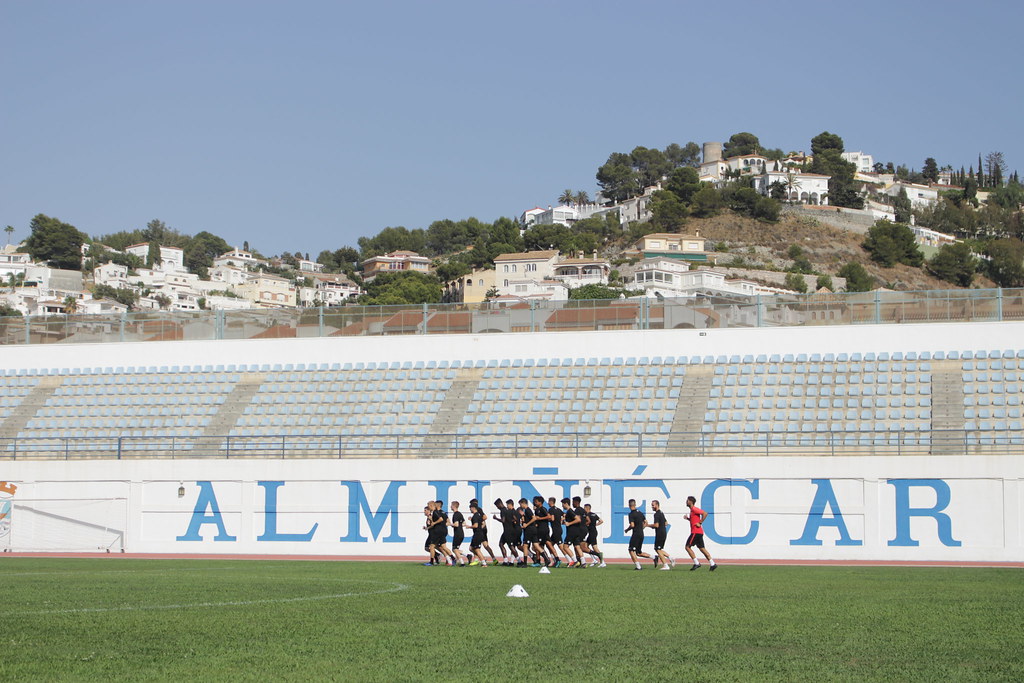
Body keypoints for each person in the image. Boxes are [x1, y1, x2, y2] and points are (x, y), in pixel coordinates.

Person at [685, 495, 716, 571]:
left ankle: (696, 563)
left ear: (691, 502)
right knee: (702, 548)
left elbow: (705, 513)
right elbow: (694, 520)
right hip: (699, 532)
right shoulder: (692, 510)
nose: (686, 502)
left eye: (687, 500)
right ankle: (712, 564)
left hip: (695, 532)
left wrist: (700, 522)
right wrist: (688, 519)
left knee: (687, 547)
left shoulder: (694, 509)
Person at [625, 498, 653, 570]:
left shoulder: (631, 514)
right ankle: (654, 557)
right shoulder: (640, 513)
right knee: (638, 552)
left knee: (631, 550)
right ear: (635, 504)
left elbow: (632, 525)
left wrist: (627, 530)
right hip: (641, 534)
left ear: (629, 505)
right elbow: (646, 522)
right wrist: (641, 528)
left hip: (636, 534)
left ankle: (638, 566)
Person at [428, 499, 455, 566]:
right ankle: (453, 558)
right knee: (443, 546)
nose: (428, 508)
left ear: (431, 505)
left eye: (428, 506)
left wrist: (434, 523)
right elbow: (447, 521)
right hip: (443, 531)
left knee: (432, 546)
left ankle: (431, 562)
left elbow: (441, 519)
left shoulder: (435, 512)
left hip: (438, 531)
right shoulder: (443, 512)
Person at [650, 499, 674, 570]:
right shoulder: (661, 512)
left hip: (660, 533)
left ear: (657, 505)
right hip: (663, 532)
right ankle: (670, 557)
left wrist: (648, 525)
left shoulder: (656, 514)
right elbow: (666, 523)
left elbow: (656, 525)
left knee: (658, 549)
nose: (652, 507)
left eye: (653, 505)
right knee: (658, 549)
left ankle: (666, 565)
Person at [561, 497, 585, 567]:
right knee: (577, 546)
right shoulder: (569, 512)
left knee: (565, 547)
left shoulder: (570, 511)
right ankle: (583, 562)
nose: (562, 506)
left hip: (572, 531)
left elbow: (578, 519)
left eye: (563, 504)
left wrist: (569, 523)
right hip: (576, 531)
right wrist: (565, 522)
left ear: (566, 504)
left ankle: (575, 561)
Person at [496, 498, 520, 566]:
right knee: (501, 544)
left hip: (508, 531)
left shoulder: (503, 511)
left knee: (511, 546)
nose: (497, 507)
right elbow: (515, 519)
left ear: (499, 504)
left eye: (497, 506)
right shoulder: (508, 511)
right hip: (507, 531)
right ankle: (506, 561)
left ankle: (519, 560)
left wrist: (496, 518)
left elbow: (503, 520)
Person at [547, 496, 570, 566]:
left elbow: (552, 519)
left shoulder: (551, 509)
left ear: (551, 502)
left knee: (561, 547)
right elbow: (565, 515)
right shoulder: (558, 509)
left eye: (548, 501)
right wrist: (561, 520)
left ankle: (570, 560)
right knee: (549, 545)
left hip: (556, 530)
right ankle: (555, 560)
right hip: (558, 529)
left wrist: (546, 519)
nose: (548, 503)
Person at [582, 503, 605, 567]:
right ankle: (594, 560)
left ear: (587, 508)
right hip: (594, 531)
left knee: (595, 547)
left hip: (592, 533)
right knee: (585, 547)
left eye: (584, 508)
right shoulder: (594, 514)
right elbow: (601, 521)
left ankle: (602, 562)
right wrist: (595, 525)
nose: (584, 509)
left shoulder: (587, 515)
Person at [467, 502, 489, 567]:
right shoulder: (478, 516)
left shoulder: (475, 516)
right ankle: (483, 558)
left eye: (470, 508)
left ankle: (484, 563)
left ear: (473, 508)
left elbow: (476, 525)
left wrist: (469, 526)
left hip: (478, 534)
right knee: (471, 548)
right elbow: (482, 523)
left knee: (477, 549)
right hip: (478, 533)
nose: (470, 510)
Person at [517, 498, 536, 566]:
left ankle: (525, 562)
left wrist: (526, 524)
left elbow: (534, 518)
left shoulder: (528, 510)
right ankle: (533, 557)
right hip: (528, 530)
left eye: (520, 504)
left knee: (525, 546)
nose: (520, 506)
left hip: (529, 530)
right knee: (529, 546)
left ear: (523, 503)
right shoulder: (525, 511)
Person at [449, 501, 466, 567]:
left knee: (454, 549)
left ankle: (462, 563)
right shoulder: (460, 514)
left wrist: (450, 524)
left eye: (451, 505)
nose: (450, 506)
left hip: (457, 533)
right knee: (456, 549)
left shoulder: (455, 514)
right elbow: (464, 523)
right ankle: (467, 555)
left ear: (454, 506)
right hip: (461, 533)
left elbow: (456, 524)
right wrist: (460, 525)